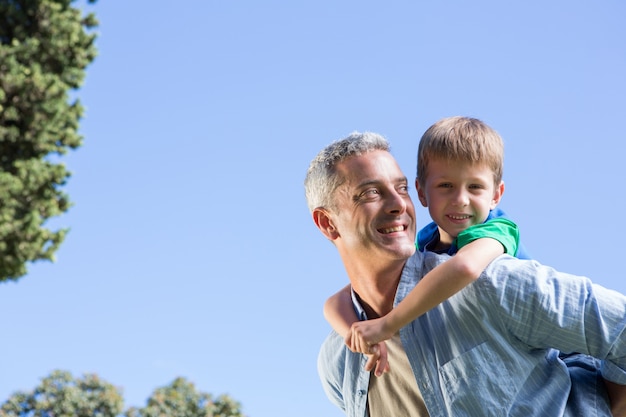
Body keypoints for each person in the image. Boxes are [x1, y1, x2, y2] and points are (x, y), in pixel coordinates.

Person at [305, 131, 626, 416]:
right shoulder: (337, 363)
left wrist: (603, 408)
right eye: (371, 193)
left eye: (401, 189)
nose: (398, 205)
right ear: (327, 223)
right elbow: (337, 301)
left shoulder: (489, 282)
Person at [324, 117, 528, 366]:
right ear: (421, 192)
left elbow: (465, 267)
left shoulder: (497, 230)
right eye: (446, 186)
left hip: (551, 357)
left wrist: (387, 325)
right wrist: (357, 336)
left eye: (475, 187)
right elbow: (336, 302)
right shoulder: (428, 239)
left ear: (496, 195)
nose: (461, 199)